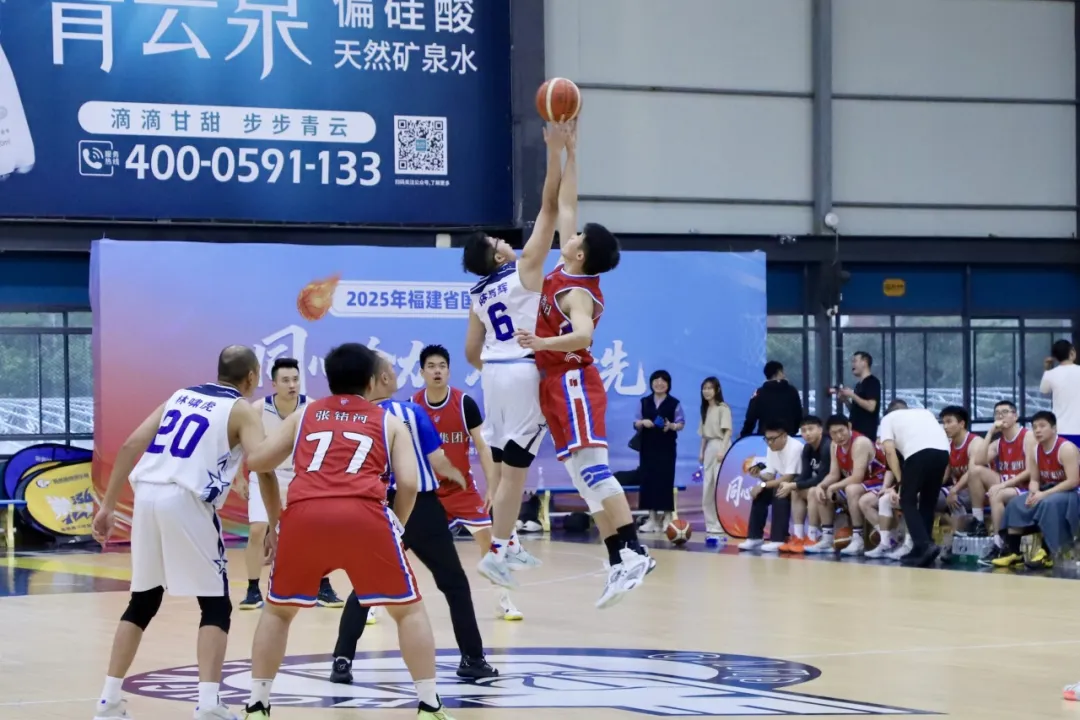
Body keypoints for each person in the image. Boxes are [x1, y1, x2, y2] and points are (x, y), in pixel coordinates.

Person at [240, 343, 456, 720]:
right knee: (408, 611)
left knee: (277, 612)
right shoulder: (388, 421)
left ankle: (258, 704)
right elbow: (408, 483)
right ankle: (429, 704)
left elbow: (258, 462)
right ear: (372, 381)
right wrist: (397, 525)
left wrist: (276, 520)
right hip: (364, 516)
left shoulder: (305, 414)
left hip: (305, 516)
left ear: (329, 379)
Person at [91, 346, 274, 720]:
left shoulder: (181, 396)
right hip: (187, 499)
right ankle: (208, 703)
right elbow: (263, 465)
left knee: (143, 601)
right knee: (216, 605)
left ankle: (108, 701)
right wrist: (276, 521)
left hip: (147, 496)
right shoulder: (240, 410)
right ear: (252, 376)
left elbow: (130, 444)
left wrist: (107, 506)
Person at [512, 152, 653, 609]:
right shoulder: (565, 266)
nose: (568, 234)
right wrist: (569, 153)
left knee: (594, 471)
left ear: (580, 252)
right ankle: (617, 560)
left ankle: (636, 551)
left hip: (574, 381)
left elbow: (584, 335)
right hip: (554, 384)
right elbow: (567, 203)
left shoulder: (577, 292)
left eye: (574, 237)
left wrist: (540, 342)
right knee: (581, 478)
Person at [330, 351, 498, 684]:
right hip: (420, 506)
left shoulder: (354, 418)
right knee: (454, 583)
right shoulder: (411, 411)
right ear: (381, 379)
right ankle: (472, 658)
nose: (396, 375)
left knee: (365, 584)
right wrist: (456, 475)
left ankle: (342, 659)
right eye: (392, 371)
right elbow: (437, 459)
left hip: (377, 507)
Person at [461, 121, 575, 587]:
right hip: (524, 371)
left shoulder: (477, 293)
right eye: (496, 242)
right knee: (516, 470)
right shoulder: (526, 267)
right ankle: (497, 551)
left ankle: (505, 543)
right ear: (496, 257)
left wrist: (498, 365)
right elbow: (551, 206)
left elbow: (471, 351)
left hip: (494, 374)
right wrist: (555, 151)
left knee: (510, 469)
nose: (503, 241)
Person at [412, 343, 523, 621]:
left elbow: (483, 447)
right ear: (422, 372)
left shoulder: (464, 404)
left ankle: (503, 600)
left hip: (461, 489)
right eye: (431, 367)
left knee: (490, 541)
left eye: (442, 366)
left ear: (449, 371)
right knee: (396, 544)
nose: (437, 371)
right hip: (427, 491)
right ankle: (374, 604)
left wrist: (492, 486)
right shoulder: (413, 406)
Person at [238, 357, 342, 611]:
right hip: (265, 475)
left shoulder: (313, 407)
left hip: (301, 477)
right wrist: (239, 478)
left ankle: (323, 585)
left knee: (316, 532)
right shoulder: (258, 409)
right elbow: (239, 445)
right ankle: (252, 590)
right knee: (257, 530)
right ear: (274, 384)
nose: (292, 385)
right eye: (285, 380)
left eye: (295, 379)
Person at [992, 411, 1080, 571]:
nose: (1038, 430)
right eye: (1034, 427)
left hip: (1072, 493)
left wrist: (1043, 494)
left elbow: (1073, 481)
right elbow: (1034, 479)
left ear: (1054, 428)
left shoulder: (1066, 448)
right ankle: (1014, 552)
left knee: (1049, 503)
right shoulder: (1034, 450)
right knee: (1016, 504)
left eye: (1042, 426)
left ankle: (1047, 553)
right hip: (1048, 491)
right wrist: (1033, 493)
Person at [877, 399, 951, 568]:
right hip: (943, 453)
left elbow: (889, 451)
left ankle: (924, 545)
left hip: (918, 453)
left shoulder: (888, 419)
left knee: (907, 500)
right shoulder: (924, 412)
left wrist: (900, 480)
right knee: (927, 501)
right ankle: (922, 548)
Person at [806, 415, 888, 556]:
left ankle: (858, 539)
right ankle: (826, 539)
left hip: (878, 480)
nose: (839, 436)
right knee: (816, 491)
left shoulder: (860, 442)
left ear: (849, 427)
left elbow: (857, 477)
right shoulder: (834, 445)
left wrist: (833, 487)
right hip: (861, 483)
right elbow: (834, 474)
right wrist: (822, 485)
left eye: (841, 431)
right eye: (834, 433)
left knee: (851, 489)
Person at [971, 400, 1036, 564]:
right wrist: (990, 432)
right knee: (975, 471)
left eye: (1005, 412)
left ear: (1015, 416)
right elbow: (978, 461)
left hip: (1026, 487)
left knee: (997, 493)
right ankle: (978, 522)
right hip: (1007, 485)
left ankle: (1000, 544)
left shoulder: (1027, 436)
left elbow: (1030, 471)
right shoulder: (999, 442)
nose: (1000, 416)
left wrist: (1002, 485)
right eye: (997, 413)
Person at [738, 420, 804, 551]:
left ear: (784, 436)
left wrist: (762, 485)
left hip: (799, 483)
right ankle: (755, 537)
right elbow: (770, 476)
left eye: (773, 439)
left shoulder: (795, 447)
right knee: (760, 494)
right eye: (767, 439)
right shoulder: (771, 448)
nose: (769, 442)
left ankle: (778, 539)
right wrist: (759, 476)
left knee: (779, 490)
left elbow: (788, 477)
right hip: (785, 482)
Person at [634, 369, 685, 532]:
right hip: (647, 447)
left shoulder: (674, 403)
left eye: (663, 381)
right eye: (656, 380)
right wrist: (643, 422)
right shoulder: (644, 401)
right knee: (648, 480)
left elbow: (681, 423)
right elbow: (636, 422)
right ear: (651, 383)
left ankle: (667, 517)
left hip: (666, 447)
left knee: (665, 480)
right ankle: (652, 518)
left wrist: (672, 426)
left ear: (668, 385)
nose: (659, 383)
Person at [775, 415, 831, 553]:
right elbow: (805, 475)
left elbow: (821, 478)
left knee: (811, 491)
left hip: (832, 486)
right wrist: (791, 485)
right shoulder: (807, 448)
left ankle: (812, 536)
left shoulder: (827, 446)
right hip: (820, 486)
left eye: (811, 429)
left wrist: (793, 485)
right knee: (796, 491)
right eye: (804, 430)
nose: (807, 433)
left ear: (820, 429)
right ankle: (798, 536)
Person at [698, 377, 732, 538]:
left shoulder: (722, 408)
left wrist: (723, 450)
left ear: (717, 390)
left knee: (719, 486)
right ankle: (711, 523)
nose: (706, 391)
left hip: (720, 445)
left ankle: (722, 522)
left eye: (710, 388)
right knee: (708, 487)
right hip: (710, 448)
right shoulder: (705, 409)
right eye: (704, 388)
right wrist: (701, 452)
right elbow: (704, 435)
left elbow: (728, 431)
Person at [739, 361, 804, 438]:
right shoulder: (792, 391)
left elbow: (750, 418)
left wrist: (744, 435)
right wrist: (793, 431)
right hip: (788, 437)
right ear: (779, 372)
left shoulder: (759, 393)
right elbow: (798, 415)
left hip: (765, 438)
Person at [1040, 339, 1080, 446]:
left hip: (1059, 429)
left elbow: (1044, 391)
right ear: (1072, 352)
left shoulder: (1050, 374)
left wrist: (1047, 369)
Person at [834, 351, 881, 439]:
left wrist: (852, 395)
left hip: (866, 434)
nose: (852, 365)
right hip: (855, 431)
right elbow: (856, 410)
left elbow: (871, 407)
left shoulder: (872, 382)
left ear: (865, 362)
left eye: (855, 361)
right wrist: (845, 400)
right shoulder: (858, 385)